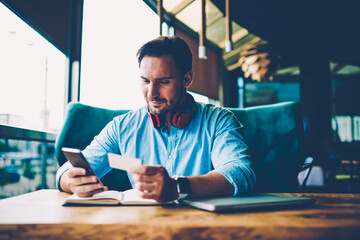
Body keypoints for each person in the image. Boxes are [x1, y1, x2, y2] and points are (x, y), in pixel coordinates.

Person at [56, 36, 256, 202]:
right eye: (145, 81)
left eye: (163, 82)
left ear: (187, 79)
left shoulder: (219, 121)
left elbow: (240, 172)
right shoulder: (122, 127)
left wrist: (178, 187)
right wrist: (69, 180)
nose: (152, 93)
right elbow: (72, 168)